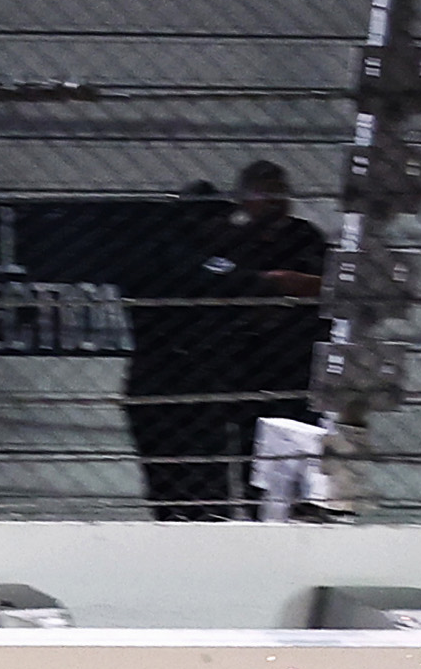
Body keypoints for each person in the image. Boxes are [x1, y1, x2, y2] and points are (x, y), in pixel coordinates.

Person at [192, 160, 331, 506]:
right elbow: (219, 284)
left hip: (296, 367)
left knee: (302, 453)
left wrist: (286, 284)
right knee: (249, 457)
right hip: (245, 367)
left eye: (278, 191)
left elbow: (327, 286)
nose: (272, 200)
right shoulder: (228, 238)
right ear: (242, 199)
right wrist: (269, 284)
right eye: (262, 192)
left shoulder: (305, 237)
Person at [116, 179, 234, 518]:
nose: (223, 228)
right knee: (199, 491)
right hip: (177, 388)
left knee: (173, 491)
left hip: (166, 388)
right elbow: (221, 279)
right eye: (216, 220)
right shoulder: (179, 260)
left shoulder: (154, 253)